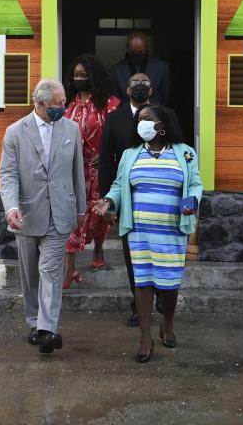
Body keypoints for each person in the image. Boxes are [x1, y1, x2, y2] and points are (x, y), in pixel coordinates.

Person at [94, 106, 202, 363]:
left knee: (169, 284)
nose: (141, 123)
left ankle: (167, 323)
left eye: (146, 119)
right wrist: (108, 201)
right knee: (142, 283)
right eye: (138, 120)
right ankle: (145, 338)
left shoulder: (185, 153)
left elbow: (196, 183)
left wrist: (192, 200)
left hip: (172, 230)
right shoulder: (130, 154)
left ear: (161, 123)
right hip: (140, 230)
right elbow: (120, 185)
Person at [0, 79, 86, 354]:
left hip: (60, 212)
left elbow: (77, 172)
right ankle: (35, 322)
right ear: (40, 104)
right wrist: (11, 207)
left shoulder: (71, 129)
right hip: (26, 213)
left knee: (50, 270)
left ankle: (48, 329)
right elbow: (8, 174)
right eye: (58, 103)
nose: (64, 107)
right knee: (30, 275)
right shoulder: (15, 132)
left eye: (64, 102)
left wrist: (81, 210)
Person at [98, 72, 152, 327]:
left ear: (151, 90)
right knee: (132, 254)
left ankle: (161, 297)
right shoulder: (114, 119)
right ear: (127, 90)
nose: (140, 87)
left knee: (157, 253)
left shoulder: (163, 115)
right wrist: (107, 200)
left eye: (145, 83)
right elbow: (106, 162)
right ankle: (138, 305)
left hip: (157, 197)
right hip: (127, 197)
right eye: (135, 83)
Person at [62, 55, 121, 288]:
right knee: (71, 216)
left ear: (93, 77)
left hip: (99, 170)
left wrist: (108, 155)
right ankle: (70, 267)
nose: (79, 79)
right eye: (76, 76)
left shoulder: (110, 104)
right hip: (72, 170)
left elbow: (119, 134)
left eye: (84, 76)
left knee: (98, 214)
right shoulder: (67, 104)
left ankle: (98, 247)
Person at [109, 30, 171, 107]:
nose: (136, 55)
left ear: (146, 48)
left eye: (141, 52)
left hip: (154, 114)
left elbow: (165, 97)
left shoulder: (161, 68)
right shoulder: (116, 71)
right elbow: (115, 101)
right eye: (133, 52)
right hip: (126, 115)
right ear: (127, 49)